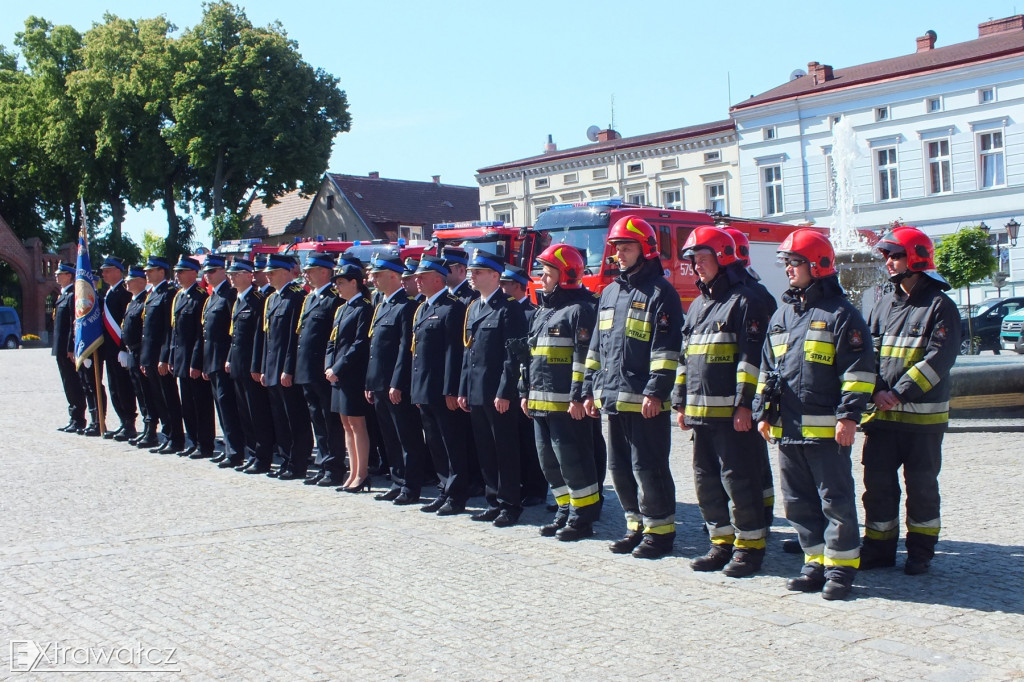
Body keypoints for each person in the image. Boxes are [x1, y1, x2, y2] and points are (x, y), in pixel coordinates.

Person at [753, 228, 874, 600]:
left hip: (826, 430)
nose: (789, 270)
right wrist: (762, 411)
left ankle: (840, 569)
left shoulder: (842, 315)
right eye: (787, 263)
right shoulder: (782, 315)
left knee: (834, 500)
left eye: (795, 262)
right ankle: (814, 561)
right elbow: (766, 368)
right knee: (799, 501)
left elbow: (858, 371)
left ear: (817, 265)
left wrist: (849, 416)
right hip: (787, 427)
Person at [859, 226, 960, 575]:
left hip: (922, 422)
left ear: (916, 257)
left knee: (921, 489)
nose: (888, 262)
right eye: (886, 255)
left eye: (895, 255)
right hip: (882, 419)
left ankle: (921, 551)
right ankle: (878, 548)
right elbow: (867, 354)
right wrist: (874, 391)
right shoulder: (882, 304)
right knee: (878, 488)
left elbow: (939, 359)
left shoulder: (940, 306)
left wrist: (898, 393)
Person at [583, 216, 683, 559]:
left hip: (644, 401)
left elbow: (666, 348)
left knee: (648, 467)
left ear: (646, 249)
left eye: (626, 247)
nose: (619, 254)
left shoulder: (661, 292)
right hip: (612, 398)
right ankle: (635, 526)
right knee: (620, 468)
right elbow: (596, 347)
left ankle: (660, 533)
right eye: (617, 248)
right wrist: (588, 389)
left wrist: (655, 391)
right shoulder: (609, 292)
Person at [672, 226, 770, 577]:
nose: (696, 266)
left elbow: (752, 358)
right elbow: (685, 358)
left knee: (739, 481)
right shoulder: (698, 305)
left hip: (732, 417)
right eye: (693, 260)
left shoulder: (747, 300)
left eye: (702, 259)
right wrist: (680, 402)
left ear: (723, 258)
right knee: (705, 480)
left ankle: (749, 548)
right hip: (699, 415)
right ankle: (720, 543)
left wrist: (745, 405)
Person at [521, 244, 601, 541]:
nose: (541, 278)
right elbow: (529, 356)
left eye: (547, 273)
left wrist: (579, 396)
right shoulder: (544, 311)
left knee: (573, 461)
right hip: (540, 402)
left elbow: (585, 357)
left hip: (568, 405)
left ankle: (583, 518)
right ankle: (565, 509)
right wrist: (524, 391)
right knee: (549, 462)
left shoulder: (579, 310)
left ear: (565, 274)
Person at [459, 249, 529, 527]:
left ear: (494, 275)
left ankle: (510, 504)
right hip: (476, 390)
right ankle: (493, 500)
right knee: (485, 449)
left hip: (498, 393)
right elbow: (469, 352)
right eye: (470, 272)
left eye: (477, 272)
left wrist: (505, 391)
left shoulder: (509, 307)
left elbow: (513, 356)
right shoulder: (474, 307)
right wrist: (463, 388)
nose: (471, 276)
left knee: (505, 449)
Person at [723, 226, 778, 530]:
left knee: (750, 460)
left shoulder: (752, 295)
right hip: (740, 390)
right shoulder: (751, 291)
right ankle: (761, 510)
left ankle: (760, 514)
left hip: (748, 389)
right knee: (751, 459)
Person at [364, 254, 429, 505]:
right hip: (379, 382)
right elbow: (375, 347)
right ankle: (397, 480)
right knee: (389, 436)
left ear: (394, 276)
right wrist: (370, 382)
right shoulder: (381, 305)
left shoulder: (406, 305)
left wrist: (397, 382)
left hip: (395, 384)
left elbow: (405, 348)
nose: (372, 279)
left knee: (407, 437)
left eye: (377, 275)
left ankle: (411, 486)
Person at [409, 255, 468, 515]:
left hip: (443, 390)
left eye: (422, 277)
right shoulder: (422, 308)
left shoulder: (452, 307)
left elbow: (453, 354)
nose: (417, 281)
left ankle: (456, 496)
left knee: (452, 443)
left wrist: (451, 390)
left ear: (437, 278)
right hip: (425, 388)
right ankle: (443, 489)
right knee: (434, 442)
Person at [259, 254, 314, 479]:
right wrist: (264, 367)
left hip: (286, 370)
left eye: (272, 272)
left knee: (295, 419)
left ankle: (298, 463)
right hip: (272, 368)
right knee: (280, 419)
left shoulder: (295, 297)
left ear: (285, 272)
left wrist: (288, 369)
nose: (268, 276)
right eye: (268, 272)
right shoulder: (272, 299)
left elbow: (295, 338)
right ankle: (285, 460)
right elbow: (267, 337)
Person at [295, 254, 346, 487]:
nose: (306, 273)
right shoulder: (309, 299)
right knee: (317, 419)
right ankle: (324, 463)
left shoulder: (333, 299)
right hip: (307, 369)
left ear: (325, 271)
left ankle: (334, 468)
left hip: (322, 371)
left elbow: (333, 339)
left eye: (311, 269)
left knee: (330, 421)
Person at [501, 264, 547, 508]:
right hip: (507, 383)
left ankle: (536, 488)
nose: (502, 288)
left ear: (517, 286)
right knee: (514, 439)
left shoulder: (532, 313)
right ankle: (517, 483)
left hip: (525, 383)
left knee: (530, 440)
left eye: (506, 284)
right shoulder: (501, 309)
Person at [325, 262, 373, 492]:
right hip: (338, 375)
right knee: (345, 424)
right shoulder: (342, 308)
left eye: (341, 283)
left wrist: (339, 368)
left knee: (357, 423)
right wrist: (329, 366)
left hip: (353, 375)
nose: (338, 288)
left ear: (355, 282)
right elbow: (332, 341)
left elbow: (360, 343)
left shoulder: (363, 308)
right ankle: (352, 471)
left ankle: (362, 474)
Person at [225, 258, 276, 475]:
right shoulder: (238, 300)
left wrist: (257, 365)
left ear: (249, 275)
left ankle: (263, 457)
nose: (232, 278)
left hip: (250, 366)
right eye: (231, 275)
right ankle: (252, 453)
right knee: (244, 414)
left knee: (258, 414)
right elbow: (234, 334)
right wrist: (229, 358)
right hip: (238, 363)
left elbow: (259, 337)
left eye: (236, 274)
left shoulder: (258, 300)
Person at [200, 254, 246, 468]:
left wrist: (228, 359)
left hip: (224, 361)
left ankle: (236, 451)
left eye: (212, 271)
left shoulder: (229, 296)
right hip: (213, 360)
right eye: (206, 272)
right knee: (221, 407)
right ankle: (229, 446)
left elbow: (233, 332)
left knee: (228, 407)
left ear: (222, 271)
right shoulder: (212, 297)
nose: (207, 276)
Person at [169, 255, 216, 459]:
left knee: (200, 404)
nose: (177, 276)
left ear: (193, 273)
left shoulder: (200, 297)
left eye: (181, 271)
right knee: (187, 403)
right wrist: (172, 357)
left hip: (194, 360)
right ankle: (193, 440)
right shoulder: (180, 296)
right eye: (176, 272)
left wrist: (196, 362)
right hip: (181, 358)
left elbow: (200, 334)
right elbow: (175, 331)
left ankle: (205, 444)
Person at [140, 255, 185, 455]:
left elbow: (169, 329)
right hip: (150, 355)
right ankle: (167, 435)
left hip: (161, 356)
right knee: (159, 398)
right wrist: (144, 358)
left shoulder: (169, 294)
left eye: (151, 270)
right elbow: (146, 331)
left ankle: (176, 438)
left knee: (169, 398)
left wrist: (164, 357)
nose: (147, 274)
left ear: (161, 272)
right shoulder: (152, 294)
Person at [98, 255, 138, 441]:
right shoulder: (109, 292)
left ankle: (129, 422)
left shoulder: (124, 292)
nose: (103, 274)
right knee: (114, 386)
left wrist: (123, 347)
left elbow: (127, 323)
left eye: (107, 270)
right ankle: (123, 420)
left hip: (119, 349)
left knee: (124, 386)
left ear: (117, 271)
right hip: (109, 349)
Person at [121, 265, 158, 448]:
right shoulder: (133, 301)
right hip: (132, 352)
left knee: (146, 392)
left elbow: (146, 331)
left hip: (141, 351)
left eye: (131, 279)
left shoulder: (145, 300)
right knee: (139, 392)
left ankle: (151, 430)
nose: (127, 282)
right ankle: (146, 427)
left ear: (141, 282)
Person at [52, 261, 87, 434]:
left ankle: (79, 418)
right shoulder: (63, 295)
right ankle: (73, 417)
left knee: (74, 383)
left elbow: (75, 324)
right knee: (67, 383)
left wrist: (71, 348)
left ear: (70, 276)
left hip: (68, 350)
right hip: (60, 348)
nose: (57, 276)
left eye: (61, 273)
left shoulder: (73, 295)